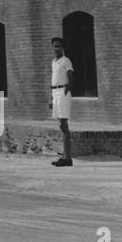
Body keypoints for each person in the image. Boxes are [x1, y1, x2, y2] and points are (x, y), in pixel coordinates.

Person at [49, 36, 75, 167]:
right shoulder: (54, 62)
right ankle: (65, 155)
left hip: (62, 92)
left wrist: (66, 91)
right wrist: (52, 97)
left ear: (63, 48)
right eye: (55, 46)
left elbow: (71, 77)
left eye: (59, 46)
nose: (57, 48)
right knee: (60, 124)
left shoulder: (66, 61)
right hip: (55, 92)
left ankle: (67, 157)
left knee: (64, 124)